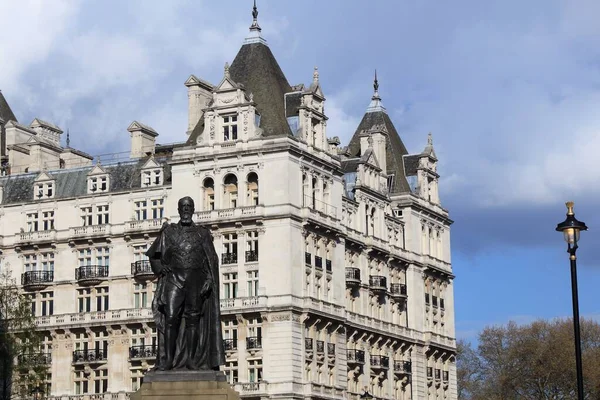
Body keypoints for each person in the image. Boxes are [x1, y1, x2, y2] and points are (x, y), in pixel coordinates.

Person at [146, 196, 225, 370]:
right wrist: (160, 269)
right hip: (174, 279)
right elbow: (153, 254)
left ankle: (192, 359)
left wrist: (210, 279)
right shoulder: (169, 232)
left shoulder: (202, 233)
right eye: (183, 207)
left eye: (189, 206)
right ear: (179, 210)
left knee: (193, 318)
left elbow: (211, 258)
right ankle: (167, 360)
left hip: (196, 280)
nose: (186, 210)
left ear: (194, 209)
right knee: (171, 317)